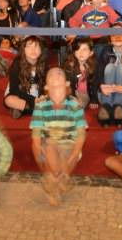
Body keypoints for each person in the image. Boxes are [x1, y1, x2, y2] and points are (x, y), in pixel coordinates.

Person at [30, 68, 87, 206]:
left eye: (60, 73)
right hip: (49, 145)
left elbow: (81, 133)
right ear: (46, 86)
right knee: (50, 146)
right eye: (51, 74)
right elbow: (36, 133)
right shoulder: (41, 105)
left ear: (67, 83)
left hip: (69, 144)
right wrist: (38, 150)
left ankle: (55, 181)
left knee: (66, 156)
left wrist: (75, 153)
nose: (56, 75)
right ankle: (57, 178)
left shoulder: (75, 105)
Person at [4, 35, 46, 118]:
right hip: (20, 95)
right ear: (23, 50)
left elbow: (44, 86)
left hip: (36, 96)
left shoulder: (43, 65)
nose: (33, 50)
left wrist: (42, 97)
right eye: (29, 47)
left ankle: (23, 109)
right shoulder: (16, 65)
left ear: (41, 50)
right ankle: (33, 109)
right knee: (9, 100)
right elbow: (14, 90)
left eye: (36, 46)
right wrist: (33, 100)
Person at [96, 34, 122, 124]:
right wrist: (102, 86)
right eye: (113, 34)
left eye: (120, 34)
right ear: (110, 39)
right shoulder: (105, 50)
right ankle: (106, 106)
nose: (117, 37)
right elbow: (98, 72)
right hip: (105, 94)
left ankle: (118, 107)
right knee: (110, 67)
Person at [63, 37, 98, 108]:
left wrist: (94, 99)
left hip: (84, 94)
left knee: (76, 105)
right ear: (74, 52)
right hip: (71, 93)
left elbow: (95, 85)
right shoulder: (69, 65)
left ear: (91, 53)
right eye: (78, 49)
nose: (80, 52)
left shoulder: (93, 67)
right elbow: (68, 85)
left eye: (84, 49)